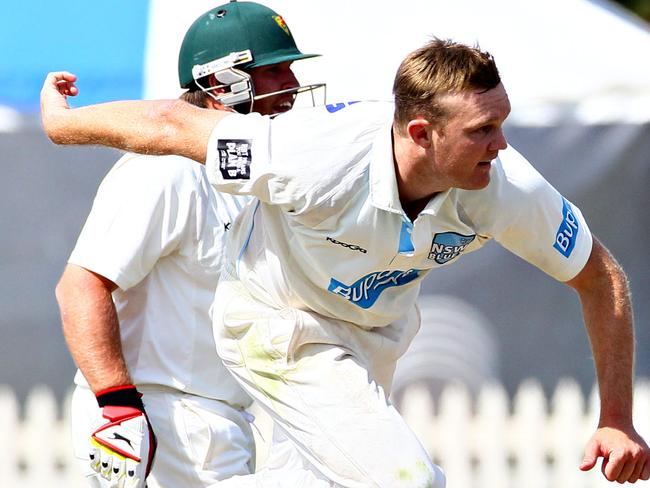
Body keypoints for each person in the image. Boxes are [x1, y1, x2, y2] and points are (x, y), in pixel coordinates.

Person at [41, 38, 650, 486]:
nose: (502, 145)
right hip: (277, 328)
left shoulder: (504, 186)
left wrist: (617, 418)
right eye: (482, 130)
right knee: (409, 481)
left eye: (502, 123)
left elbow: (601, 280)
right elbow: (169, 122)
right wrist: (59, 123)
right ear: (420, 133)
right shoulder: (313, 155)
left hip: (369, 344)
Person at [53, 2, 323, 487]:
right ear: (222, 85)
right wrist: (118, 406)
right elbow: (80, 288)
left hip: (214, 417)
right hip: (160, 416)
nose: (293, 88)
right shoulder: (166, 170)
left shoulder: (251, 176)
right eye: (275, 71)